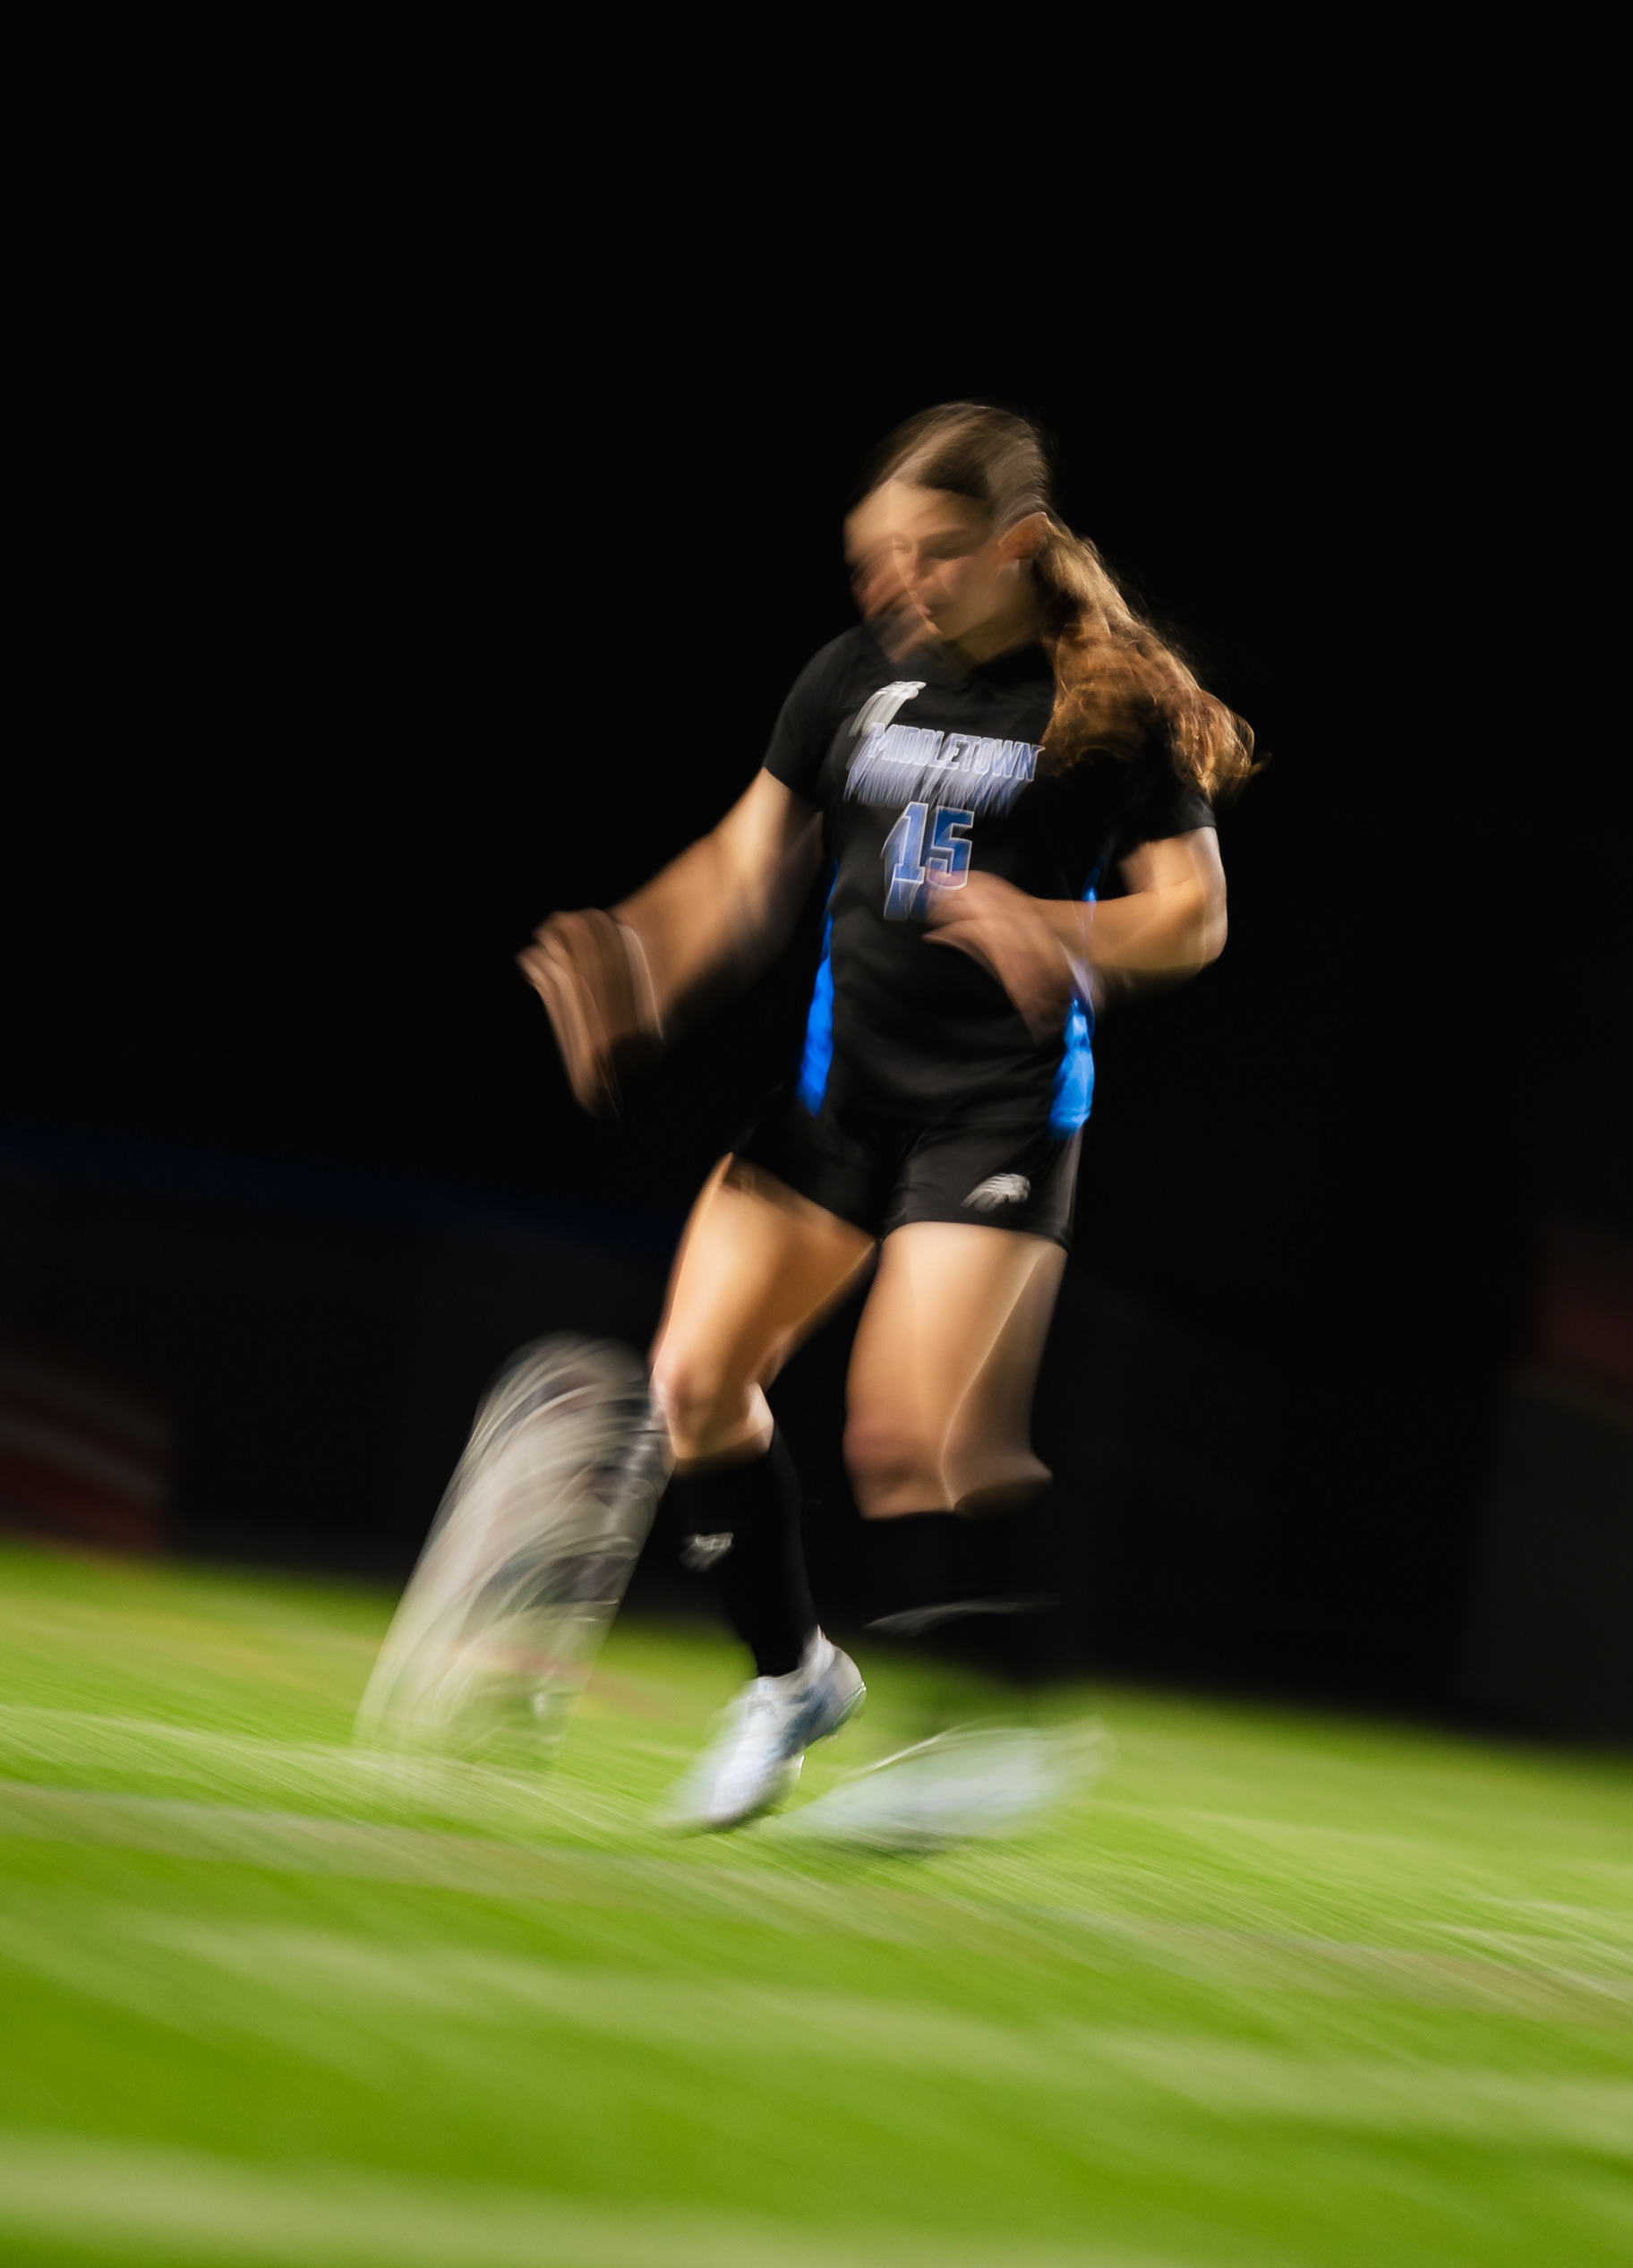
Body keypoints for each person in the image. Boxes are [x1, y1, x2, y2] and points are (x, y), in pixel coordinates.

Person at [521, 402, 1252, 1828]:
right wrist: (638, 955)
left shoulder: (1106, 697)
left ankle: (1007, 1732)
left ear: (1018, 545)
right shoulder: (852, 677)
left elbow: (1195, 917)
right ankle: (792, 1679)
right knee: (696, 1382)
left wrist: (1055, 927)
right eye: (874, 557)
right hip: (839, 1100)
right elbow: (744, 866)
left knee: (912, 1432)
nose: (895, 583)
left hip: (997, 1111)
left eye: (931, 552)